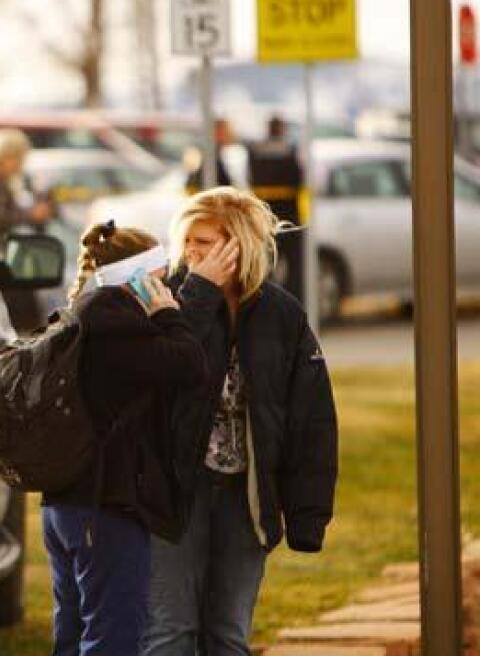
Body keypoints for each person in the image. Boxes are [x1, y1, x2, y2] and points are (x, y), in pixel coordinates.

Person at [143, 187, 338, 655]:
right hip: (175, 493)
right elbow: (159, 372)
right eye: (187, 241)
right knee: (170, 631)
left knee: (228, 633)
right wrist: (199, 296)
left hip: (245, 499)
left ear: (239, 246)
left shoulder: (282, 315)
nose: (191, 253)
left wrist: (307, 517)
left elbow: (312, 420)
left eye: (204, 243)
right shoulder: (166, 300)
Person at [43, 221, 207, 655]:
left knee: (73, 633)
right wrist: (168, 313)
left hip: (66, 504)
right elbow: (190, 365)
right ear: (137, 278)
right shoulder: (116, 322)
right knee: (112, 638)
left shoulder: (81, 314)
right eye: (158, 277)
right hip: (106, 507)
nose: (166, 284)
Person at [0, 128, 56, 331]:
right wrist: (31, 215)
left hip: (9, 261)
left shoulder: (9, 184)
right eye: (18, 158)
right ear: (4, 157)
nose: (21, 164)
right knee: (25, 325)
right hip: (2, 262)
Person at [248, 115, 306, 302]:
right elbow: (300, 181)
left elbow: (250, 180)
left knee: (264, 263)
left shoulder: (255, 151)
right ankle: (293, 301)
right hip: (289, 215)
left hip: (263, 214)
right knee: (294, 265)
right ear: (281, 129)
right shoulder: (290, 150)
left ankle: (264, 300)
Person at [185, 119, 235, 193]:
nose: (231, 134)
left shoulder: (219, 152)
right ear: (217, 132)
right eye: (226, 131)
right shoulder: (207, 154)